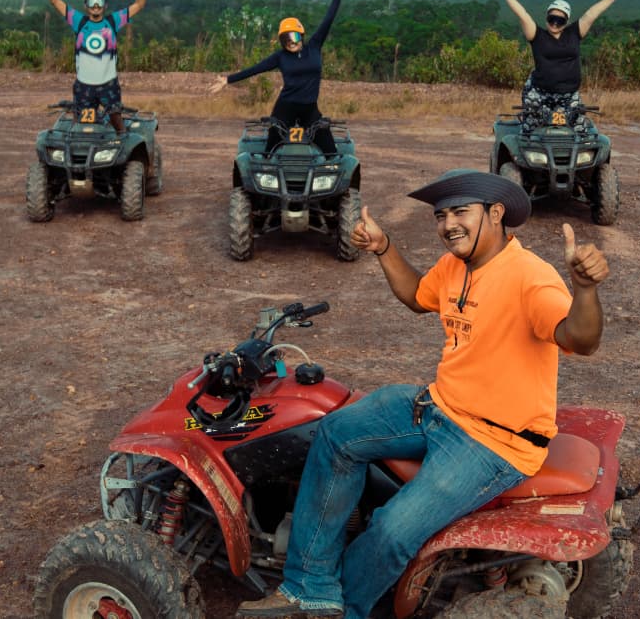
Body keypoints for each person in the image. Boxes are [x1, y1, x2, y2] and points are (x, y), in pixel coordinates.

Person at [235, 169, 609, 619]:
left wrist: (584, 289)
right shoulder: (457, 266)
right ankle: (309, 588)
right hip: (437, 407)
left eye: (461, 212)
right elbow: (417, 295)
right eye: (441, 215)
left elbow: (581, 339)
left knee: (393, 530)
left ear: (495, 214)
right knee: (335, 433)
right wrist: (384, 248)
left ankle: (346, 609)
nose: (449, 224)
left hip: (493, 443)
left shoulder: (532, 278)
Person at [210, 0, 355, 157]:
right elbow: (255, 69)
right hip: (285, 107)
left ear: (301, 36)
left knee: (330, 151)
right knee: (271, 149)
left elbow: (328, 19)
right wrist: (228, 80)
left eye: (294, 37)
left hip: (310, 109)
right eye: (285, 39)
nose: (291, 42)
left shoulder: (315, 46)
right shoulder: (280, 57)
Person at [497, 0, 628, 131]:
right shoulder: (537, 35)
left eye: (560, 20)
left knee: (581, 133)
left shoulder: (574, 33)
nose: (555, 23)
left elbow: (592, 13)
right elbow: (523, 15)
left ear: (566, 22)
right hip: (540, 95)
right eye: (552, 18)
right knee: (532, 132)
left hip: (569, 95)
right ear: (547, 17)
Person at [42, 0, 151, 135]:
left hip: (108, 84)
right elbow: (55, 0)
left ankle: (124, 153)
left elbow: (139, 4)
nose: (96, 5)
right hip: (84, 86)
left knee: (117, 122)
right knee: (82, 127)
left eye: (99, 1)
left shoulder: (113, 22)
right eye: (92, 1)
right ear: (86, 5)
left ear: (105, 4)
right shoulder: (78, 21)